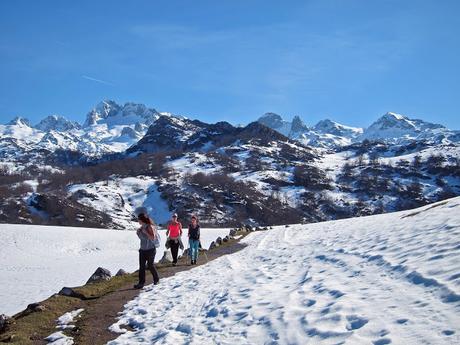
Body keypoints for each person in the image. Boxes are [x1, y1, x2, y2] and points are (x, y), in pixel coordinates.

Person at [134, 213, 159, 289]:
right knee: (141, 267)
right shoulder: (141, 228)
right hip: (142, 250)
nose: (138, 220)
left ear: (142, 220)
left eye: (139, 219)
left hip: (151, 250)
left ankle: (156, 279)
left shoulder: (150, 227)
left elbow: (153, 238)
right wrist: (138, 233)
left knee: (150, 265)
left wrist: (146, 232)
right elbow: (143, 239)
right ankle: (141, 283)